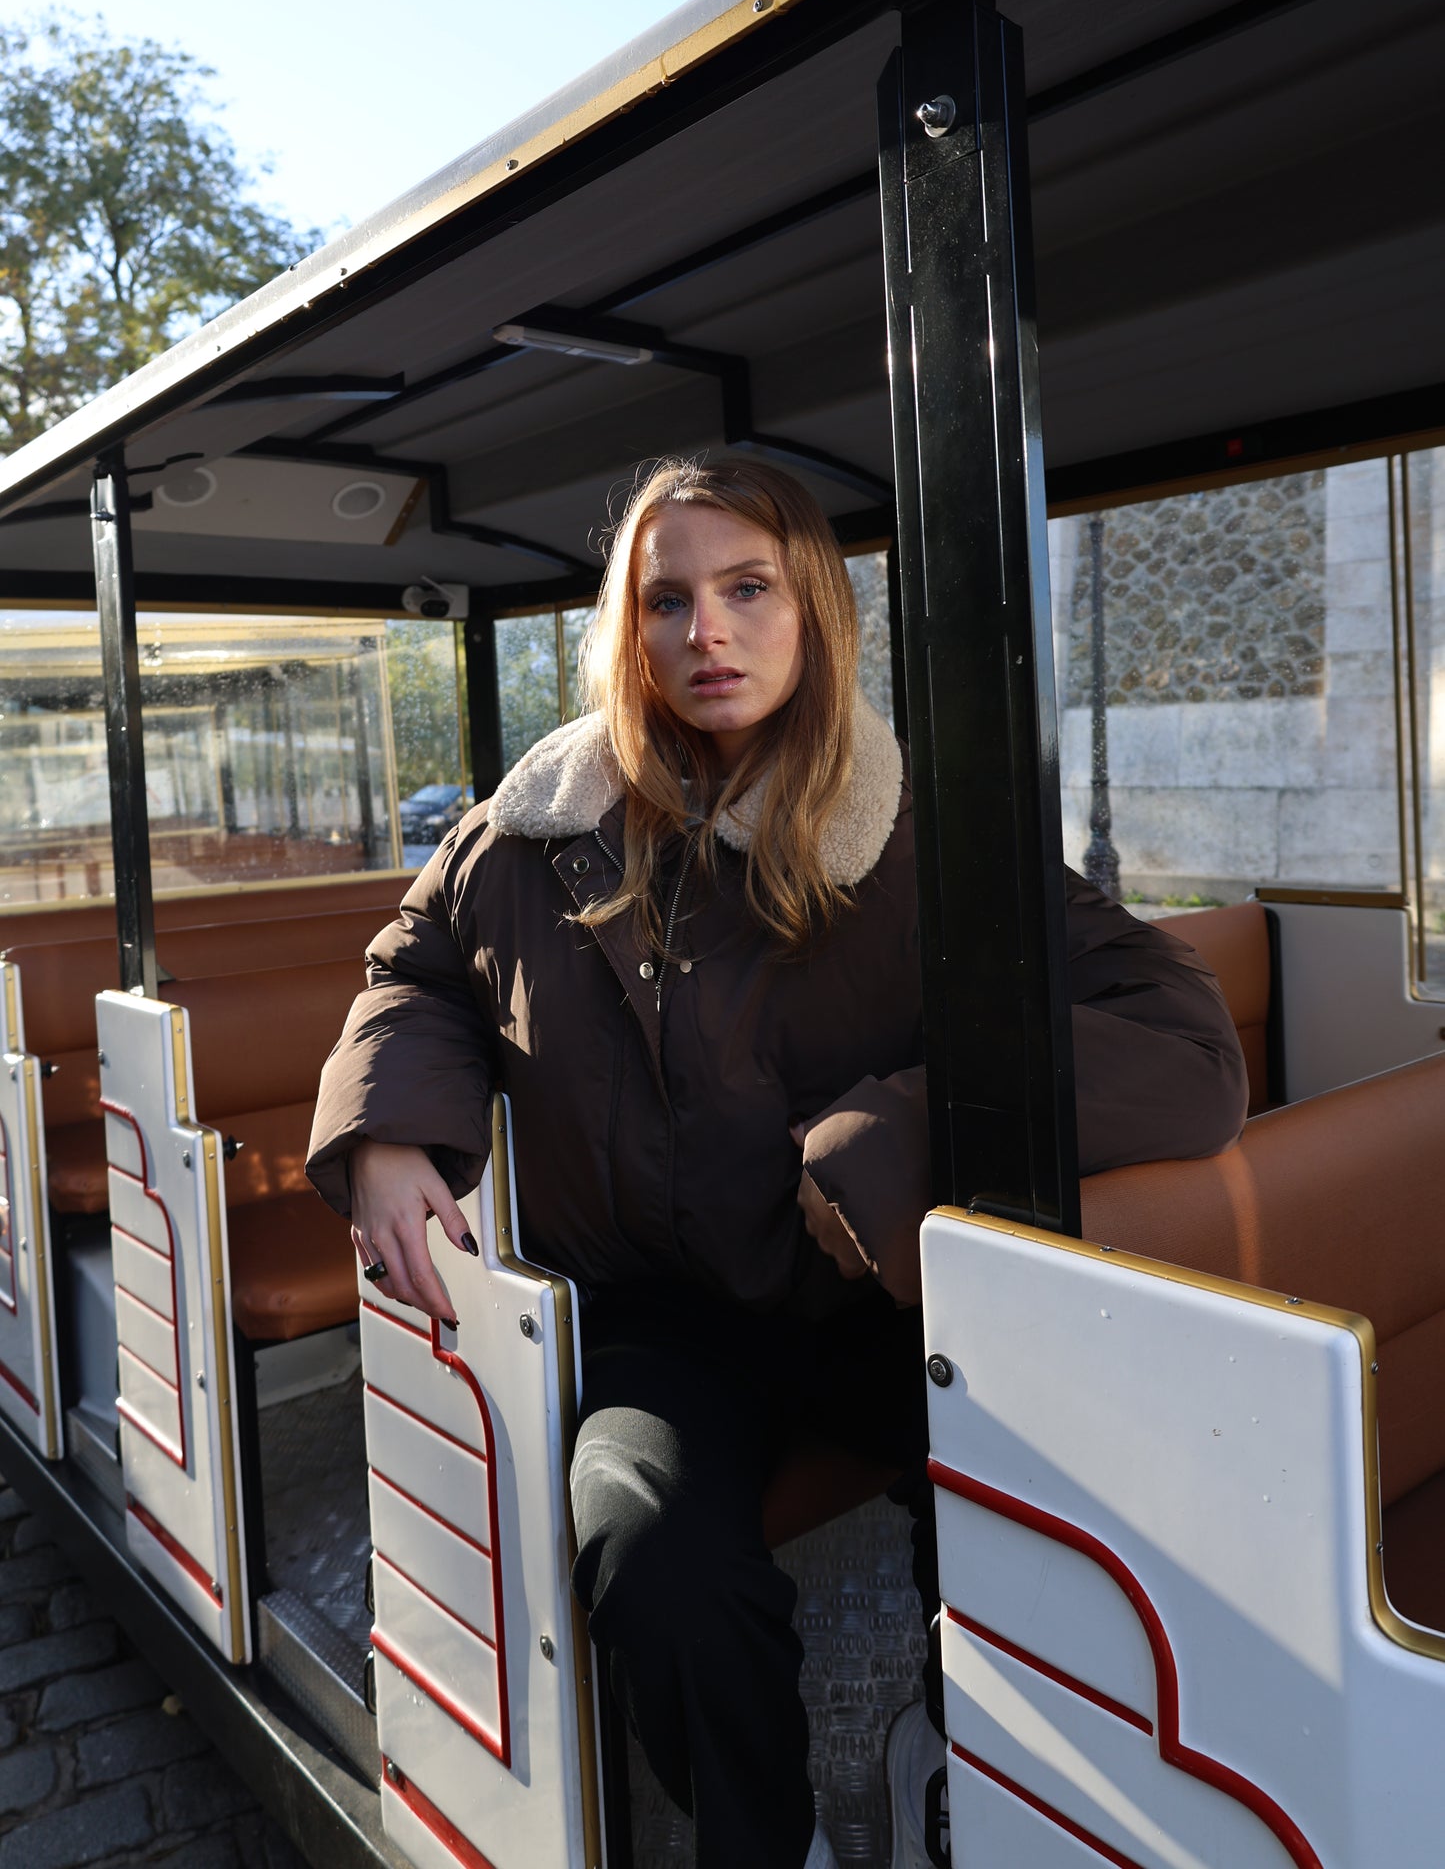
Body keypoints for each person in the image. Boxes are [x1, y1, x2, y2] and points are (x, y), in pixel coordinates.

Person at [306, 457, 1248, 1869]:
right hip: (650, 1313)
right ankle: (766, 1837)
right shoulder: (525, 837)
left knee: (1054, 1491)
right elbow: (419, 967)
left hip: (871, 1294)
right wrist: (386, 1128)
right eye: (665, 598)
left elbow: (1181, 1044)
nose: (708, 632)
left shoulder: (926, 838)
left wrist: (903, 1127)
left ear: (813, 612)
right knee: (649, 1555)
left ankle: (963, 1751)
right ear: (624, 629)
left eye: (748, 590)